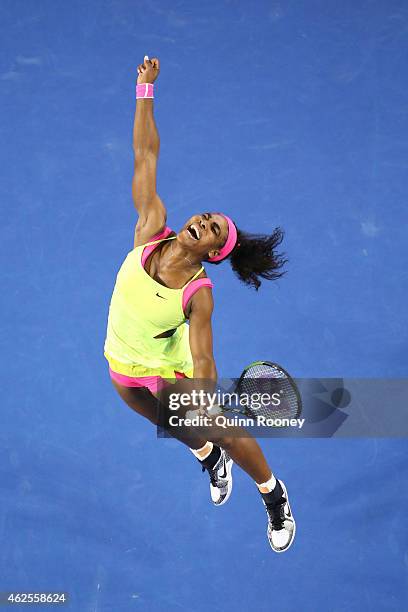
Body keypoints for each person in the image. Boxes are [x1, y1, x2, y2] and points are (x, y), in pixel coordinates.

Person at [104, 56, 295, 553]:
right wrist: (144, 92)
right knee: (165, 422)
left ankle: (273, 495)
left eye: (212, 229)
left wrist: (204, 396)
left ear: (213, 252)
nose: (203, 222)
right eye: (207, 216)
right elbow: (144, 155)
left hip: (171, 368)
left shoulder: (199, 294)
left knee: (218, 429)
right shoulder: (151, 226)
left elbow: (205, 357)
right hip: (122, 359)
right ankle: (209, 458)